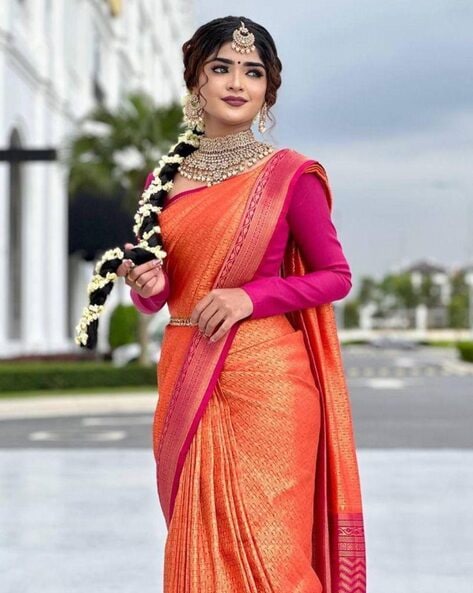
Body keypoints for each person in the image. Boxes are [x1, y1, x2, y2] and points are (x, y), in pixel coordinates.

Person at [114, 16, 367, 593]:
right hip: (187, 367)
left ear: (268, 89)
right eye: (220, 68)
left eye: (252, 72)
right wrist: (148, 286)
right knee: (198, 541)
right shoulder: (164, 179)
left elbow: (335, 276)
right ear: (196, 81)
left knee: (273, 552)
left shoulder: (287, 175)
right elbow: (157, 294)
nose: (236, 82)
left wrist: (250, 296)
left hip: (268, 383)